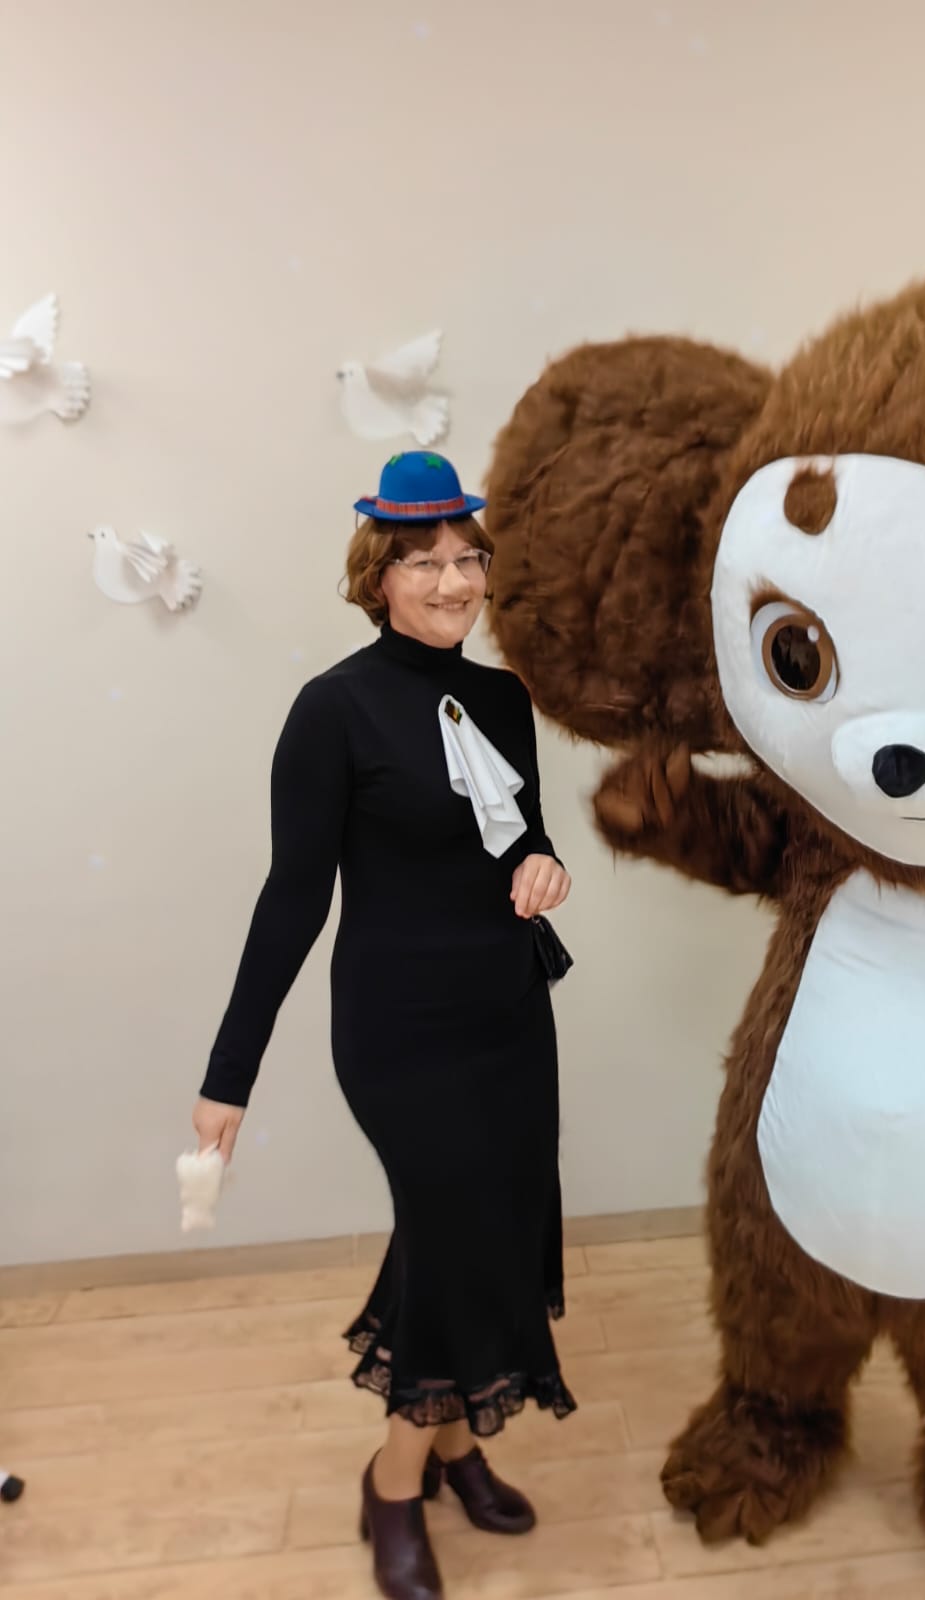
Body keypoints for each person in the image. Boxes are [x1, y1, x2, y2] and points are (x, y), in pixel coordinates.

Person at [191, 451, 575, 1600]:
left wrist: (544, 865)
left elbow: (519, 838)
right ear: (378, 577)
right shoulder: (334, 710)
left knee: (487, 1230)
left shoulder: (503, 700)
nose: (454, 583)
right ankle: (394, 1481)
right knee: (454, 1233)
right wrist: (229, 1074)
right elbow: (292, 899)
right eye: (425, 563)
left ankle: (457, 1444)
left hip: (507, 1012)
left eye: (468, 559)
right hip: (400, 1028)